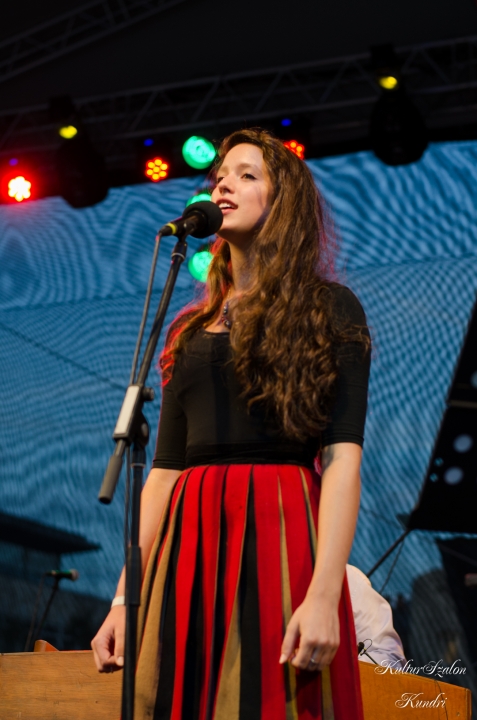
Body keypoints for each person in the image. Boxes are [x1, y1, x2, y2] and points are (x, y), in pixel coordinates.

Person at [91, 128, 371, 720]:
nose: (223, 185)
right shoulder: (188, 331)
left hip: (280, 524)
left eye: (247, 175)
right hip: (188, 542)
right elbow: (164, 472)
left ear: (284, 202)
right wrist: (123, 598)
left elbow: (343, 458)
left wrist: (324, 593)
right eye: (220, 175)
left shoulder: (329, 309)